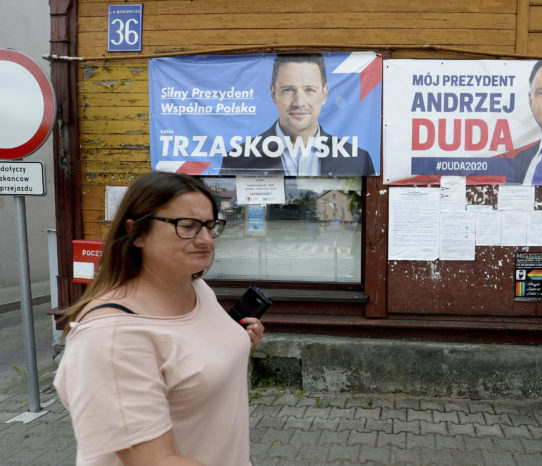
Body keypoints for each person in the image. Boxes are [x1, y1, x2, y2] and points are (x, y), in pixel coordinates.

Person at [54, 171, 264, 465]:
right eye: (187, 226)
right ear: (137, 232)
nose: (206, 240)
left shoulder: (195, 288)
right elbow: (156, 460)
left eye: (210, 225)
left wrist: (235, 344)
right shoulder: (112, 337)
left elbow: (188, 362)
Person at [222, 54, 376, 176]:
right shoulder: (237, 159)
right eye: (288, 89)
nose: (299, 102)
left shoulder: (358, 160)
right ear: (273, 93)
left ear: (324, 93)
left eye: (309, 90)